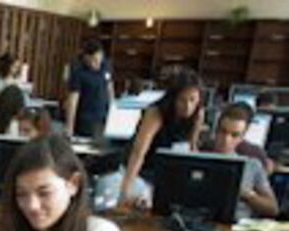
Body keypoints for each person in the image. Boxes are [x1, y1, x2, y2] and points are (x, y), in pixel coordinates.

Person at [119, 68, 204, 207]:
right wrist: (126, 188)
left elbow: (192, 148)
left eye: (192, 100)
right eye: (182, 100)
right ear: (174, 98)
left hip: (169, 172)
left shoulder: (198, 114)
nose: (187, 106)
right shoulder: (156, 112)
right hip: (143, 168)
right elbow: (138, 152)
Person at [202, 103, 278, 219]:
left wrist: (247, 195)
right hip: (200, 224)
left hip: (237, 228)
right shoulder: (197, 158)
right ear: (215, 131)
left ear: (242, 138)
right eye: (223, 132)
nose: (226, 140)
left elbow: (272, 208)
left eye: (234, 135)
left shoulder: (252, 165)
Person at [64, 39, 114, 139]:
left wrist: (113, 112)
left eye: (100, 59)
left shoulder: (105, 66)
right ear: (86, 57)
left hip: (103, 117)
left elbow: (110, 88)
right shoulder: (78, 72)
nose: (98, 63)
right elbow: (73, 101)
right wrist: (69, 126)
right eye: (94, 60)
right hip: (85, 119)